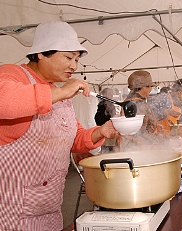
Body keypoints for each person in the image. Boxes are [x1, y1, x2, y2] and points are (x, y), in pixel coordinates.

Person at [0, 21, 119, 230]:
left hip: (51, 209)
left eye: (76, 59)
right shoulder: (13, 75)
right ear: (41, 54)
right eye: (68, 57)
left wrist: (101, 131)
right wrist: (62, 92)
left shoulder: (58, 92)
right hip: (12, 214)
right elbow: (5, 102)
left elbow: (72, 139)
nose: (74, 66)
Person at [120, 70, 159, 151]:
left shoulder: (128, 102)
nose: (151, 89)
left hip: (134, 147)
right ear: (143, 87)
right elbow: (133, 130)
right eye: (149, 86)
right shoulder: (136, 103)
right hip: (138, 148)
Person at [94, 87, 117, 153]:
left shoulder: (110, 104)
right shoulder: (103, 105)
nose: (111, 95)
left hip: (110, 129)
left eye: (112, 94)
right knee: (107, 148)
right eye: (110, 94)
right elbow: (98, 118)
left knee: (111, 148)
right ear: (104, 95)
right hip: (106, 129)